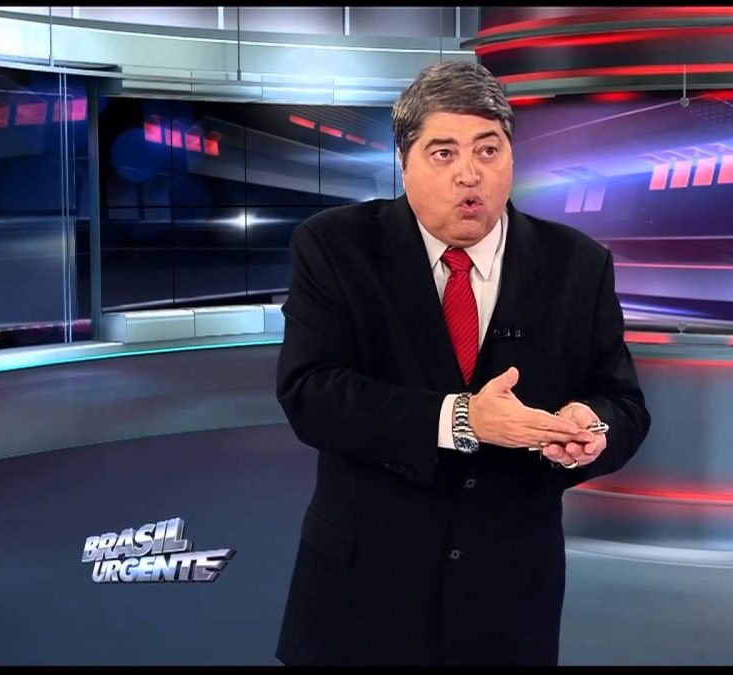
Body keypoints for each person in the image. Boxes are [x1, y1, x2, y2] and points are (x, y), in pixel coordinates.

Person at [274, 60, 651, 666]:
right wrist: (462, 419)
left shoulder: (578, 265)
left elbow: (624, 402)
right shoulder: (334, 246)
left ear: (511, 158)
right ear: (405, 162)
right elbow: (310, 392)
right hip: (365, 592)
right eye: (443, 153)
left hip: (508, 598)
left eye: (488, 150)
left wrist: (593, 426)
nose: (469, 174)